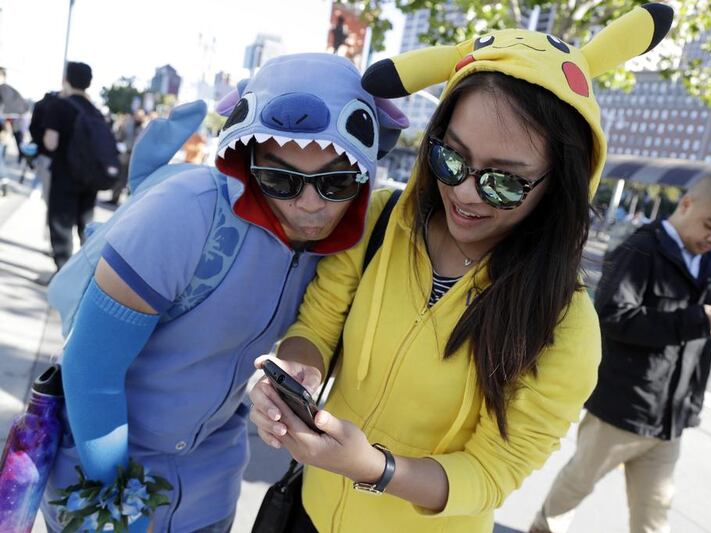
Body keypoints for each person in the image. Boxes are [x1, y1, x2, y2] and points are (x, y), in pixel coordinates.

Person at [248, 4, 674, 532]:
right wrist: (297, 372)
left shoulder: (566, 325)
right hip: (307, 513)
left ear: (560, 184)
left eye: (504, 181)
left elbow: (494, 473)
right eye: (451, 159)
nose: (465, 193)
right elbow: (318, 321)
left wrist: (375, 469)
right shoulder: (381, 219)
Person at [40, 53, 406, 532]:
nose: (310, 204)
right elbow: (91, 368)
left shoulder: (346, 246)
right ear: (246, 159)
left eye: (336, 181)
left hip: (211, 486)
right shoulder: (183, 213)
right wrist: (112, 488)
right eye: (281, 179)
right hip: (102, 475)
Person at [529, 174, 711, 533]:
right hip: (620, 409)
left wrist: (690, 404)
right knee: (574, 488)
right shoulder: (641, 249)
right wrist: (693, 322)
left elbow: (700, 345)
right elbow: (614, 319)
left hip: (669, 418)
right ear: (687, 204)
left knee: (654, 515)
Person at [41, 61, 102, 270]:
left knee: (61, 227)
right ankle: (85, 274)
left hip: (64, 175)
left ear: (66, 79)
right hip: (90, 179)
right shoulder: (95, 111)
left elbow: (51, 142)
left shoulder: (59, 105)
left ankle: (62, 274)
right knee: (86, 227)